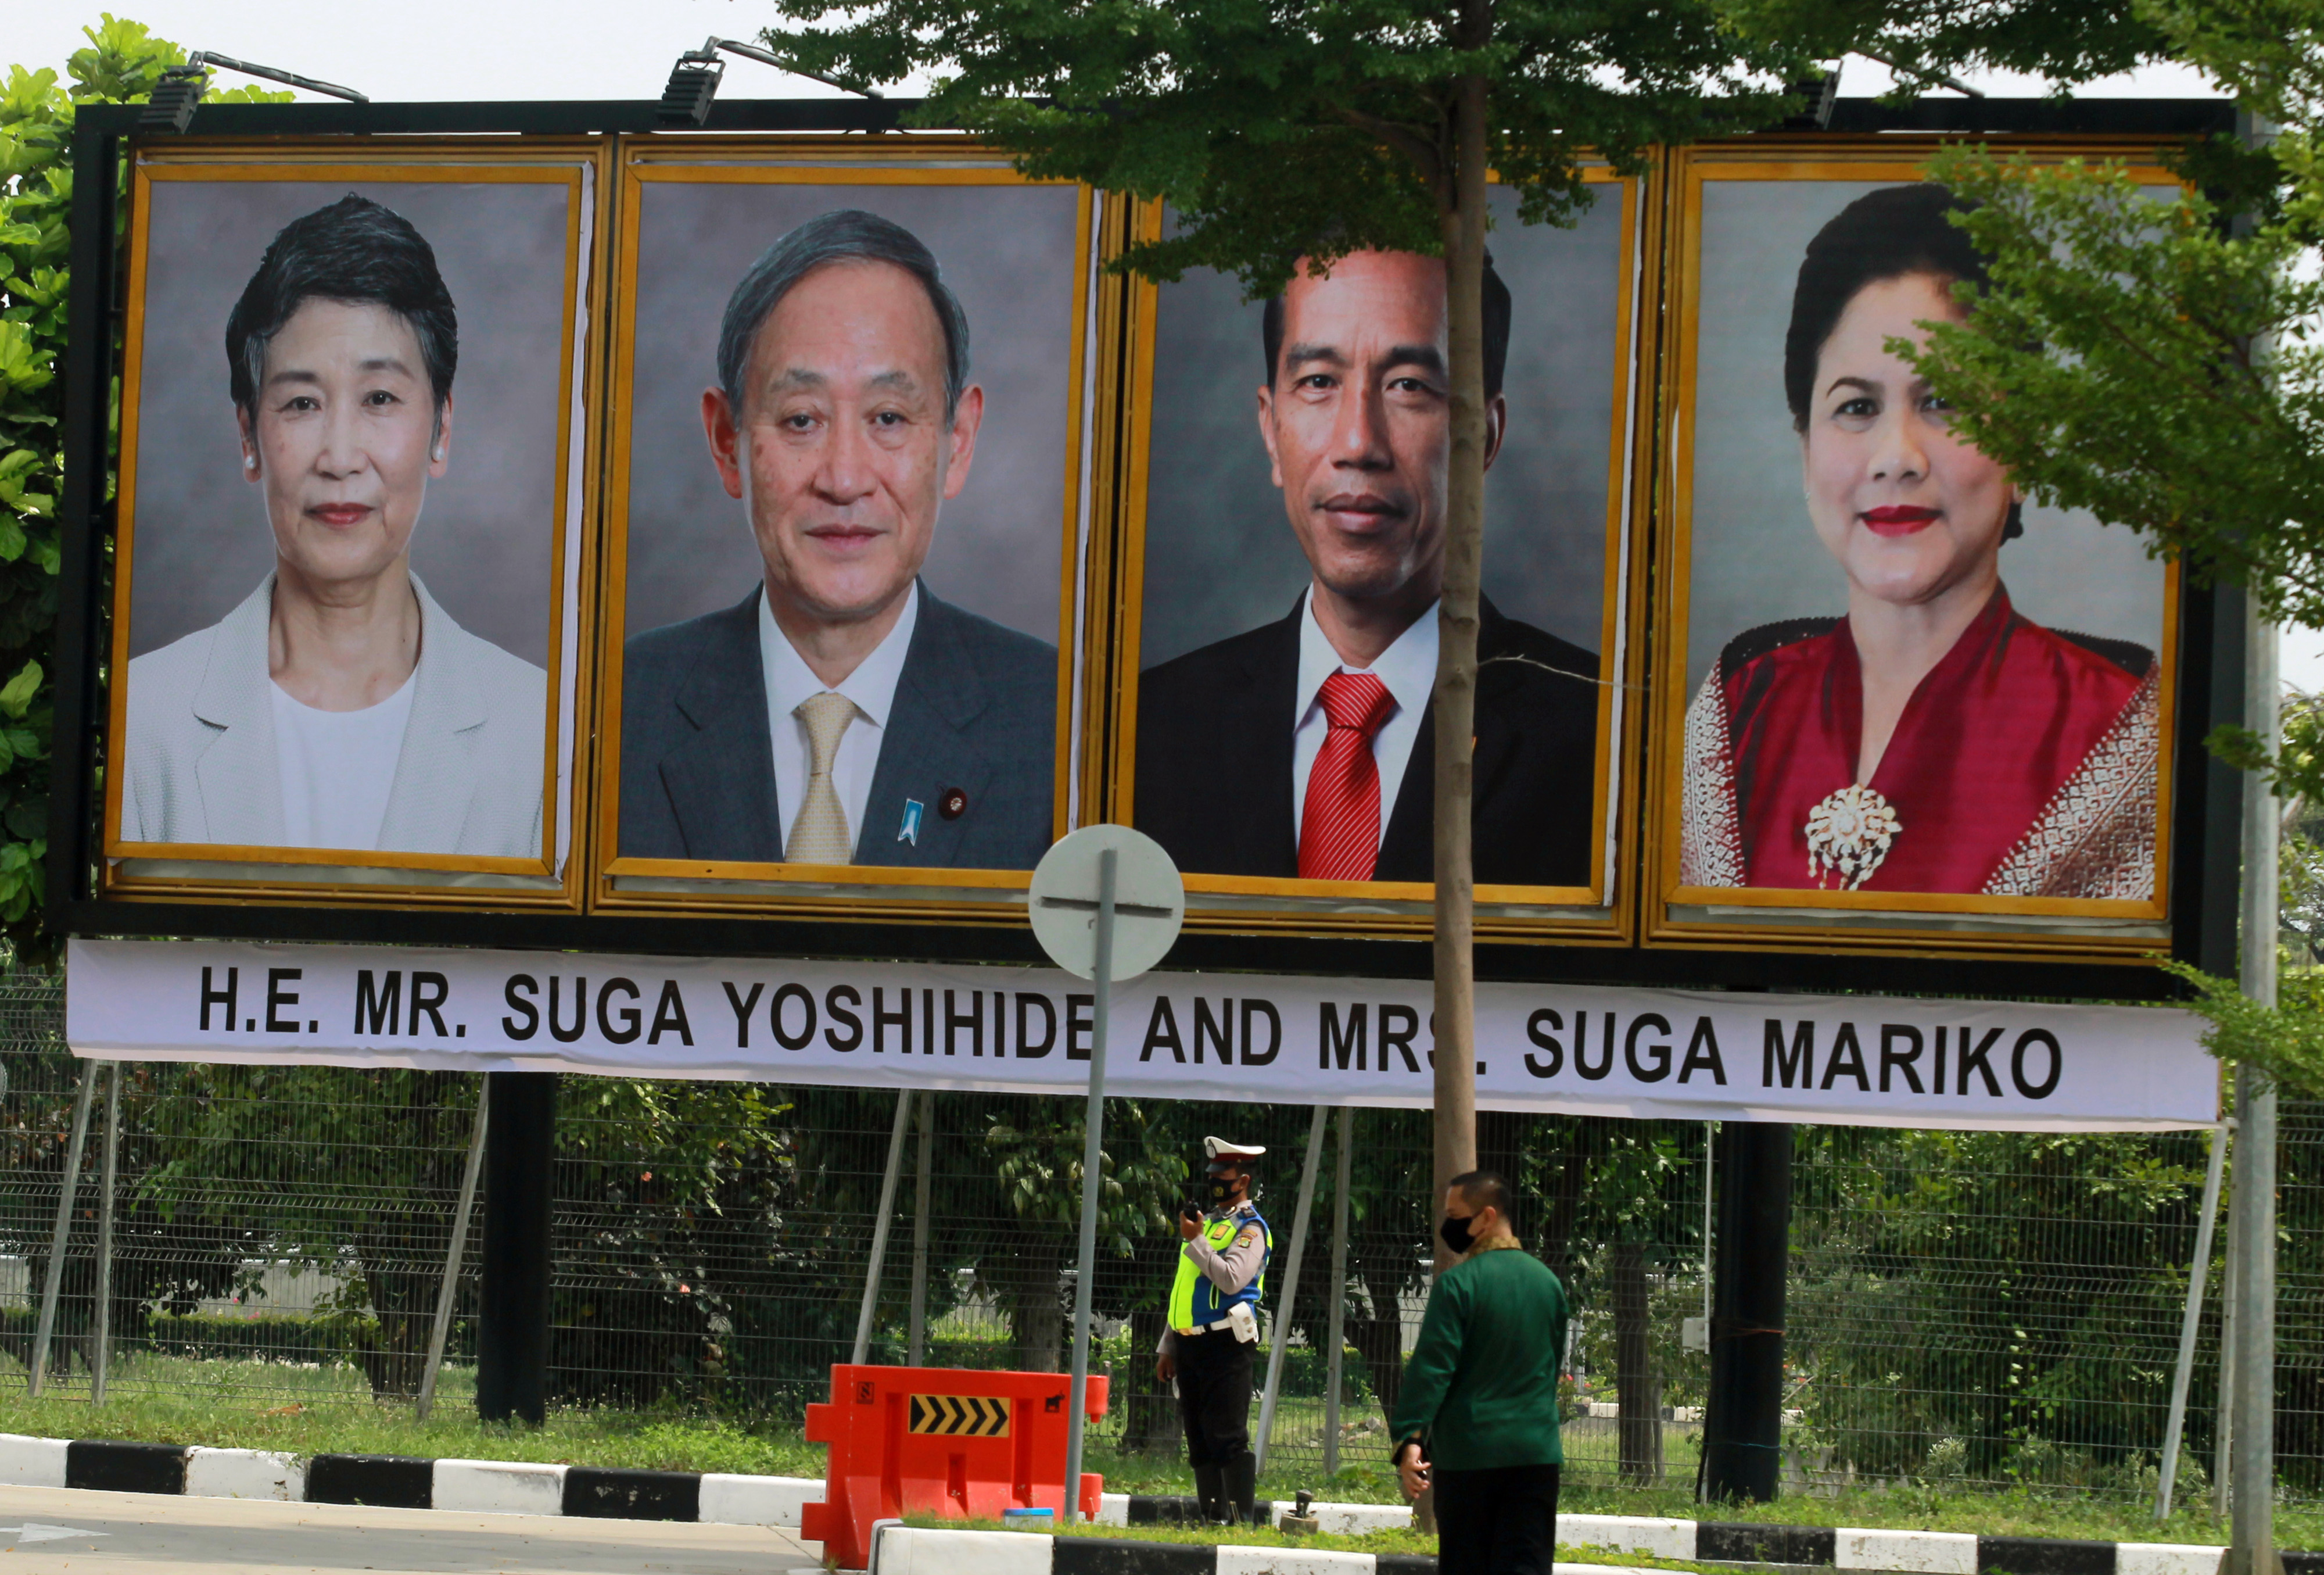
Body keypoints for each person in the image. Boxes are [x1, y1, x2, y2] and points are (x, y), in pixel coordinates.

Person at [1679, 183, 2159, 899]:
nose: (1895, 455)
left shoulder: (2122, 728)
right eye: (1856, 407)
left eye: (1943, 401)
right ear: (1805, 447)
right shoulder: (1742, 700)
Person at [1134, 248, 1601, 887]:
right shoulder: (1150, 729)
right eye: (1319, 382)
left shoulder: (1603, 740)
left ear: (1485, 439)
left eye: (1408, 385)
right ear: (1271, 430)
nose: (1358, 443)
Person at [619, 209, 1056, 872]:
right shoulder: (610, 712)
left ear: (957, 442)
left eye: (888, 417)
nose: (844, 479)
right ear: (726, 441)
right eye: (801, 420)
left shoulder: (1063, 729)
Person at [122, 194, 547, 857]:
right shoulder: (141, 719)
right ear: (249, 438)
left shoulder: (543, 734)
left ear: (441, 430)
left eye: (380, 399)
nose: (341, 457)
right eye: (301, 403)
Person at [1394, 1170, 1568, 1575]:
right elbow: (1551, 1364)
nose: (1449, 1225)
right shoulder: (1548, 1285)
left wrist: (1410, 1441)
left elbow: (1433, 1368)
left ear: (1487, 1216)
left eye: (1456, 1214)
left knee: (1466, 1570)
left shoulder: (1458, 1285)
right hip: (1535, 1452)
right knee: (1523, 1566)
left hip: (1469, 1454)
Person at [1153, 1136, 1273, 1524]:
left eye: (1224, 1175)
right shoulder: (1209, 1224)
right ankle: (1210, 1515)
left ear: (1243, 1180)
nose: (1216, 1182)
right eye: (1213, 1175)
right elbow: (1184, 1290)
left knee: (1227, 1434)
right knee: (1199, 1435)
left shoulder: (1251, 1228)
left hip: (1225, 1343)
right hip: (1190, 1345)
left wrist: (1198, 1241)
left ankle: (1238, 1519)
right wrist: (1168, 1345)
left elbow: (1232, 1278)